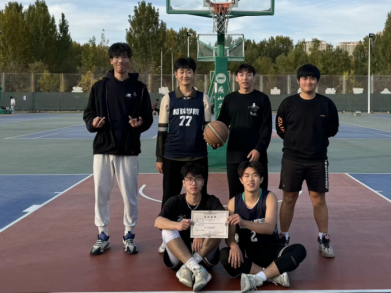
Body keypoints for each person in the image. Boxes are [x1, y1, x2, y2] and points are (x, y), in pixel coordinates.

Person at [83, 42, 153, 255]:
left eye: (124, 57)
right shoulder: (99, 87)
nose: (120, 60)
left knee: (130, 195)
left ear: (129, 60)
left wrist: (140, 124)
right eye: (116, 57)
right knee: (101, 194)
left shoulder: (139, 88)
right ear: (111, 60)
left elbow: (148, 118)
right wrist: (93, 123)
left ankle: (129, 234)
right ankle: (102, 235)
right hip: (103, 149)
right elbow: (88, 114)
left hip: (128, 149)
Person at [275, 64, 339, 258]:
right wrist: (294, 141)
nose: (308, 81)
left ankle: (323, 238)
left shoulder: (326, 104)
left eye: (312, 78)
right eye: (304, 78)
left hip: (317, 159)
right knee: (289, 198)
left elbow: (333, 129)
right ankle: (283, 237)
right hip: (292, 159)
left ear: (317, 81)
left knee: (319, 199)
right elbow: (280, 128)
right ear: (298, 81)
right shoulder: (288, 103)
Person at [220, 161, 306, 293]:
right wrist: (233, 245)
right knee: (225, 255)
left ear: (261, 179)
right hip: (247, 253)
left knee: (299, 250)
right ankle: (272, 275)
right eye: (246, 175)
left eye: (255, 175)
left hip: (272, 251)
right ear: (241, 180)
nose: (251, 179)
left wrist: (244, 222)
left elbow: (269, 228)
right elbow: (230, 236)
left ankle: (258, 277)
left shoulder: (269, 197)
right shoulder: (233, 203)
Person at [156, 57, 212, 254]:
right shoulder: (168, 98)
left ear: (194, 74)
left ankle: (201, 236)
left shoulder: (203, 98)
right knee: (169, 197)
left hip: (197, 155)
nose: (185, 75)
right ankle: (167, 237)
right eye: (181, 71)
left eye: (189, 71)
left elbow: (209, 130)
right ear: (176, 74)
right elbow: (162, 130)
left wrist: (214, 140)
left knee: (200, 196)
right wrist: (159, 157)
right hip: (172, 155)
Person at [155, 163, 223, 291]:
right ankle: (196, 268)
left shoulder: (211, 200)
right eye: (189, 179)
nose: (193, 183)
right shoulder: (175, 201)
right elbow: (158, 221)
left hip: (204, 255)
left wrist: (201, 231)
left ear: (203, 182)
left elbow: (222, 220)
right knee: (167, 229)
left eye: (197, 179)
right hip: (179, 255)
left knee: (219, 229)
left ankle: (190, 266)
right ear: (184, 183)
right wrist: (178, 225)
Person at [216, 63, 272, 199]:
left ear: (254, 78)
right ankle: (235, 215)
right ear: (236, 78)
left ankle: (259, 215)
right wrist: (216, 140)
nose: (245, 78)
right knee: (235, 196)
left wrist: (258, 149)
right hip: (234, 155)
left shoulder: (262, 99)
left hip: (256, 156)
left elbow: (266, 128)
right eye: (241, 75)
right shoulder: (229, 99)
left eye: (248, 74)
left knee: (259, 195)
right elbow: (221, 124)